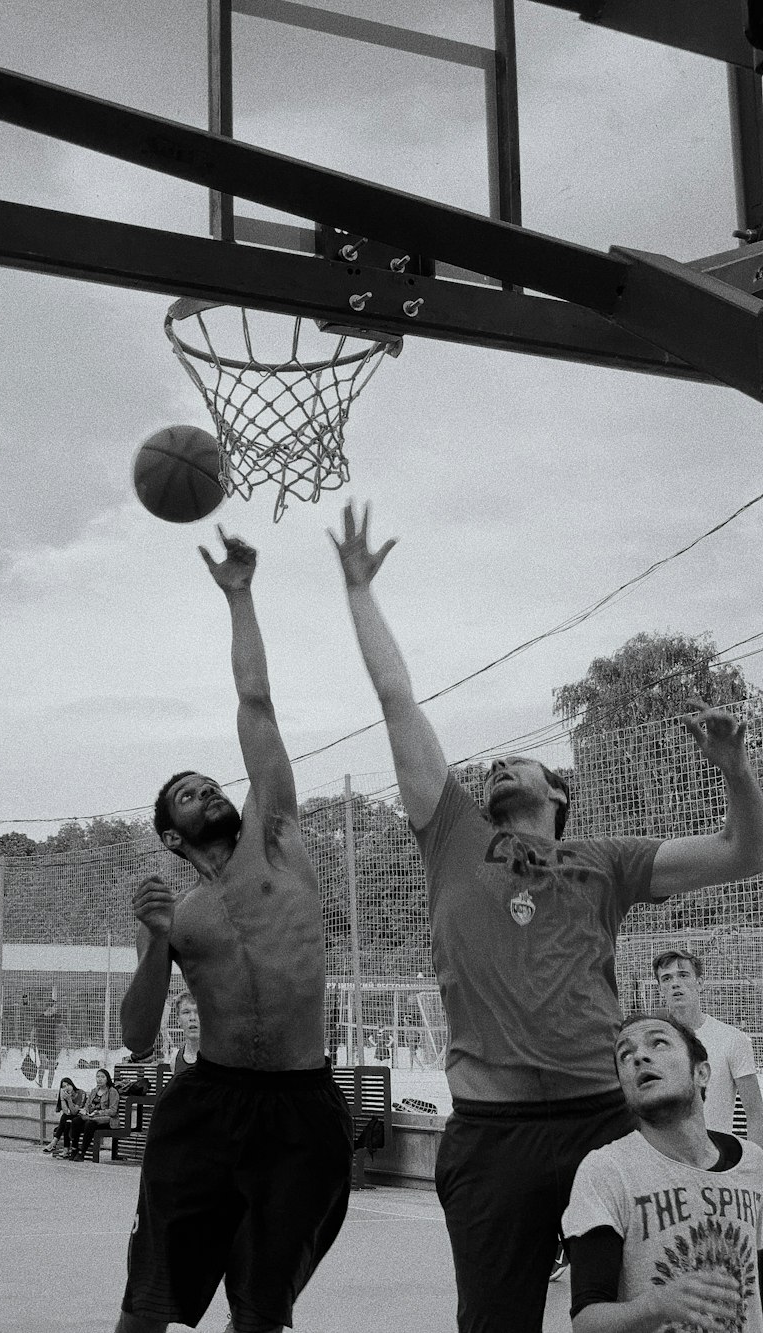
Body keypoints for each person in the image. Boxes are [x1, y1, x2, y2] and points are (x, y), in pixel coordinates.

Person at [330, 499, 763, 1333]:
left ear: (558, 795)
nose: (497, 763)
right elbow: (396, 698)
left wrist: (737, 769)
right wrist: (358, 588)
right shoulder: (452, 832)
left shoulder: (605, 861)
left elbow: (742, 853)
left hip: (604, 1116)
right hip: (492, 1134)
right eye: (492, 761)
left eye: (517, 760)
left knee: (649, 1312)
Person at [115, 528, 354, 1333]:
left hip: (301, 1102)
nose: (204, 788)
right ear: (172, 836)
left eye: (206, 780)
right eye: (185, 793)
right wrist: (152, 944)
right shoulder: (179, 914)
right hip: (209, 1102)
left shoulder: (277, 835)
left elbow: (257, 700)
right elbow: (136, 1040)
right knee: (149, 1301)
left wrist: (239, 593)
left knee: (261, 1312)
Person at [563, 1012, 763, 1332]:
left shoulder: (753, 1165)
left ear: (701, 1072)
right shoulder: (605, 1171)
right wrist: (657, 1305)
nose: (640, 1056)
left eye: (659, 1042)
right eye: (625, 1054)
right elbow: (586, 1322)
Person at [654, 947, 763, 1148]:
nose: (675, 983)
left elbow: (755, 1112)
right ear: (660, 989)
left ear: (700, 983)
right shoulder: (650, 1044)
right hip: (664, 1161)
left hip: (715, 1161)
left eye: (683, 975)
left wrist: (755, 1166)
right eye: (666, 979)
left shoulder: (732, 1039)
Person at [73, 1068, 120, 1160]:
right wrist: (85, 1111)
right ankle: (74, 1149)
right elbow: (87, 1105)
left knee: (89, 1124)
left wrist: (98, 1112)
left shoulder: (112, 1091)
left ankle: (82, 1152)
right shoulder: (94, 1091)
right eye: (98, 1076)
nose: (100, 1079)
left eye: (102, 1077)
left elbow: (113, 1111)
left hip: (107, 1121)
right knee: (75, 1121)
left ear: (107, 1079)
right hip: (92, 1117)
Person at [42, 1077, 83, 1157]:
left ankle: (54, 1143)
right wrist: (62, 1098)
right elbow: (67, 1112)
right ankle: (65, 1150)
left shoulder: (80, 1093)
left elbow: (74, 1112)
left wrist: (69, 1100)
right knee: (66, 1121)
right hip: (70, 1119)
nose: (67, 1088)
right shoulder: (65, 1096)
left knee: (66, 1120)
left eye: (68, 1085)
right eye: (64, 1087)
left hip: (80, 1118)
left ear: (72, 1084)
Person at [31, 1003, 61, 1089]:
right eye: (55, 1007)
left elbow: (60, 1029)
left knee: (52, 1066)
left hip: (52, 1044)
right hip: (42, 1044)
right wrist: (32, 1041)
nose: (56, 1009)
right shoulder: (40, 1018)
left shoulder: (56, 1018)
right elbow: (34, 1030)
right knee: (43, 1063)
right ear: (49, 1008)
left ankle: (49, 1087)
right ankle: (40, 1083)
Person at [171, 992, 200, 1074]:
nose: (192, 1018)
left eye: (197, 1012)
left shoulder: (219, 1058)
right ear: (178, 1020)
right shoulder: (175, 1060)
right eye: (186, 1012)